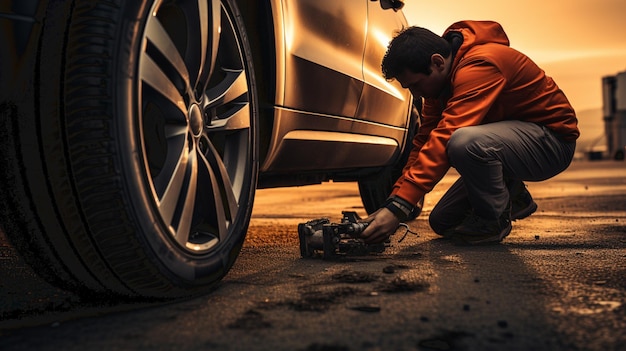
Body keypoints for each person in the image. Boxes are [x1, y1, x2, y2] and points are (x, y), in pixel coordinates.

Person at [360, 20, 579, 245]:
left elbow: (446, 135)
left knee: (462, 142)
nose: (416, 94)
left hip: (551, 143)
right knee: (442, 222)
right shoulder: (441, 85)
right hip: (510, 146)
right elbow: (425, 141)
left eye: (416, 84)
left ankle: (494, 220)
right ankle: (514, 194)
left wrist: (398, 211)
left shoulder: (481, 65)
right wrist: (395, 202)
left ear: (437, 62)